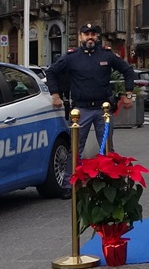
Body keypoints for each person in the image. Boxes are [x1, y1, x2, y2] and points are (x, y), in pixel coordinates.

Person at [45, 23, 136, 197]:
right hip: (81, 111)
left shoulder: (106, 55)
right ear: (80, 37)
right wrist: (55, 95)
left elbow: (127, 70)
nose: (90, 37)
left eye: (93, 34)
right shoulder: (72, 57)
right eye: (86, 34)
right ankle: (68, 185)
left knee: (108, 148)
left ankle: (109, 182)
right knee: (75, 148)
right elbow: (51, 72)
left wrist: (129, 94)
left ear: (97, 37)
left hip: (104, 110)